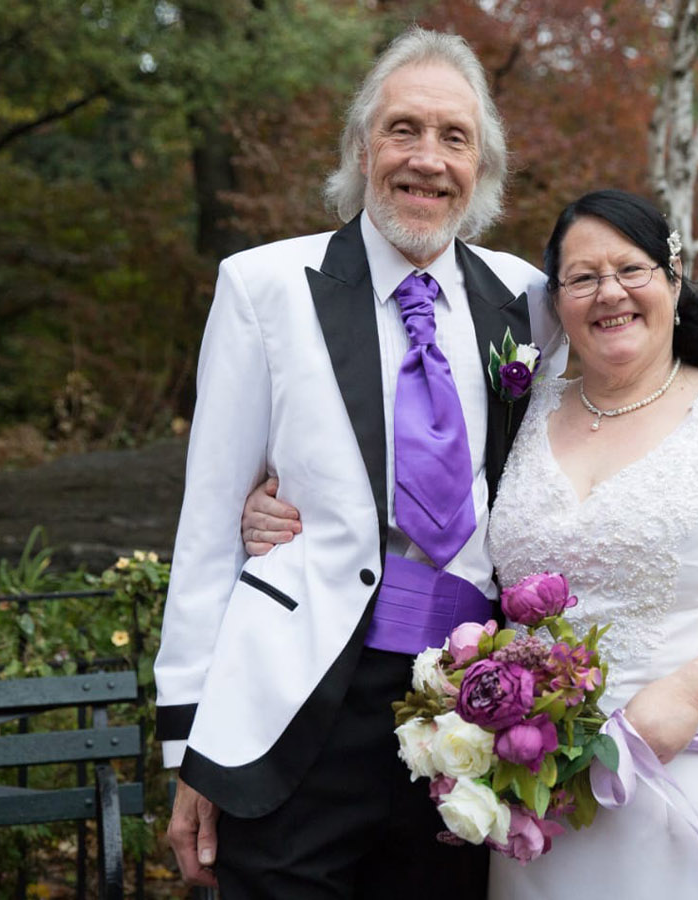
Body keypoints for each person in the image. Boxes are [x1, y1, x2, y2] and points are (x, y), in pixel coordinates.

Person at [245, 189, 698, 898]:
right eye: (582, 278)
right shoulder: (523, 410)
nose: (609, 293)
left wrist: (684, 696)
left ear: (674, 279)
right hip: (542, 783)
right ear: (555, 301)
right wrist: (275, 511)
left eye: (632, 270)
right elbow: (413, 492)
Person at [154, 27, 565, 899]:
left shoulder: (527, 301)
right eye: (402, 130)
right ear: (361, 148)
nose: (427, 159)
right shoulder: (264, 287)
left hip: (465, 715)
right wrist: (190, 743)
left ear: (483, 165)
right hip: (299, 704)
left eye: (454, 137)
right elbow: (206, 522)